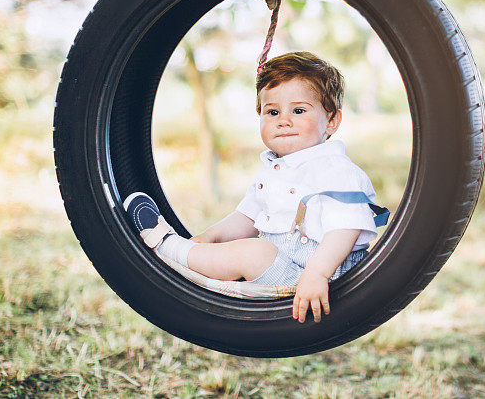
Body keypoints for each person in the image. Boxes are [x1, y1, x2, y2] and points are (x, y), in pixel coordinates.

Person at [124, 51, 381, 323]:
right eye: (272, 112)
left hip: (321, 276)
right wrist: (210, 236)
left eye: (299, 110)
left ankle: (168, 249)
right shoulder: (274, 169)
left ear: (332, 121)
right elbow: (248, 217)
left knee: (254, 251)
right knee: (250, 249)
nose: (284, 120)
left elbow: (346, 228)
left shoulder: (336, 169)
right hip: (283, 267)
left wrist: (317, 275)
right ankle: (195, 256)